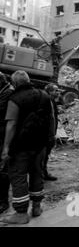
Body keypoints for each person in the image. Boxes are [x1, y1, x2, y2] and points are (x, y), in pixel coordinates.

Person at [0, 71, 54, 224]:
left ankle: (21, 213)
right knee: (37, 173)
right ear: (29, 81)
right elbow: (51, 119)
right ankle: (36, 207)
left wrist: (5, 148)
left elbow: (11, 124)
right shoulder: (44, 95)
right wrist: (50, 138)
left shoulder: (14, 98)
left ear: (15, 83)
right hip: (40, 145)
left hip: (21, 146)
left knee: (18, 176)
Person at [0, 72, 14, 215]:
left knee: (3, 170)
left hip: (4, 136)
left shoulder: (8, 93)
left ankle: (3, 201)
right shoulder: (5, 91)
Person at [42, 84, 60, 181]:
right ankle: (43, 173)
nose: (58, 92)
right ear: (50, 91)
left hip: (50, 132)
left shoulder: (51, 101)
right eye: (56, 90)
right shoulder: (47, 101)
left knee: (46, 155)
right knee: (44, 155)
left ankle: (43, 172)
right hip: (48, 134)